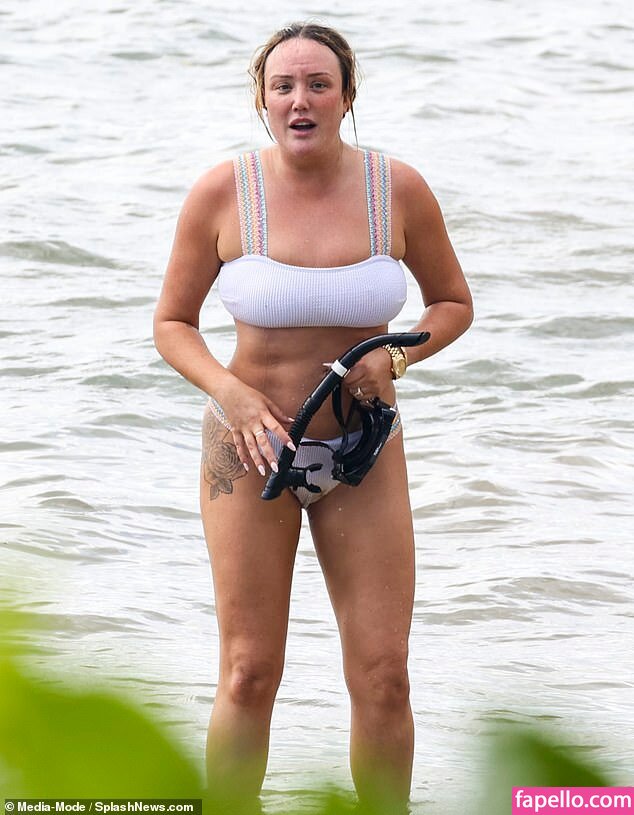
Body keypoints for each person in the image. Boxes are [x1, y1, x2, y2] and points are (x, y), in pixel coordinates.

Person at [153, 21, 473, 813]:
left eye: (318, 84)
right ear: (263, 101)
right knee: (248, 671)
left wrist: (396, 359)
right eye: (284, 86)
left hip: (363, 451)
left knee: (384, 674)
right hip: (248, 450)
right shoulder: (223, 192)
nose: (301, 99)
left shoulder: (396, 189)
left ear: (347, 96)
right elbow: (172, 324)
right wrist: (230, 392)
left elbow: (452, 304)